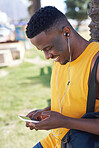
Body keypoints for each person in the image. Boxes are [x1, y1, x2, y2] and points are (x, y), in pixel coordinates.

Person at [25, 6, 99, 148]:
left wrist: (64, 122)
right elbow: (73, 100)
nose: (47, 56)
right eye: (42, 51)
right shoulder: (60, 56)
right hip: (55, 141)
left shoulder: (95, 63)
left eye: (48, 48)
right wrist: (45, 112)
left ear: (66, 32)